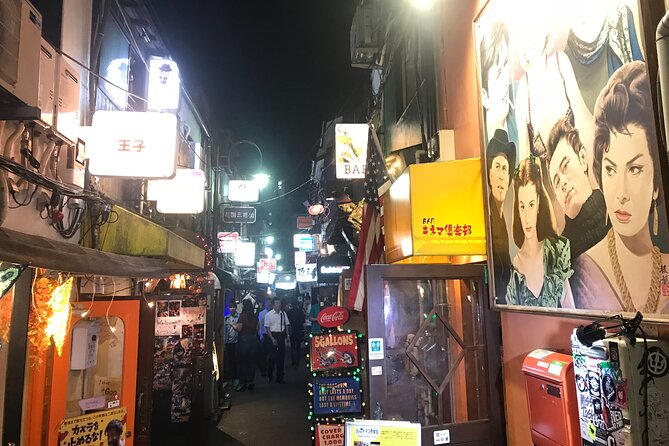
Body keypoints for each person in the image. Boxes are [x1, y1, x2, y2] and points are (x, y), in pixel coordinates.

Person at [573, 61, 669, 313]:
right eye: (610, 169)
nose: (621, 192)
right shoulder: (585, 271)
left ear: (657, 184)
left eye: (635, 169)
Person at [507, 158, 575, 308]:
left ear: (538, 204)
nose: (526, 217)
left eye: (531, 205)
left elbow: (570, 308)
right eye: (522, 207)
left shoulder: (555, 253)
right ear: (517, 210)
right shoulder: (515, 266)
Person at [546, 117, 609, 258]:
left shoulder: (618, 214)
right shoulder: (559, 256)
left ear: (582, 158)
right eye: (556, 182)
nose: (562, 183)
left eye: (565, 166)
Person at [486, 129, 516, 303]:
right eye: (497, 167)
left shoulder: (505, 219)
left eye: (505, 169)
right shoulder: (488, 216)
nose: (501, 175)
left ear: (509, 178)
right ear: (490, 175)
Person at [479, 21, 518, 147]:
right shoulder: (479, 143)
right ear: (484, 97)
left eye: (506, 63)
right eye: (498, 74)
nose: (505, 79)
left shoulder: (520, 96)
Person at [264, 297, 291, 384]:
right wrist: (272, 339)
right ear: (273, 305)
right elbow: (267, 328)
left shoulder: (283, 314)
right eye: (276, 303)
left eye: (279, 303)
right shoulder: (268, 315)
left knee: (281, 358)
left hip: (281, 335)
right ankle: (270, 375)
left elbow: (286, 325)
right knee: (271, 358)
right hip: (272, 335)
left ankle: (280, 377)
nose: (278, 305)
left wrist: (287, 336)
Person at [234, 299, 259, 391]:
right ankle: (251, 382)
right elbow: (258, 328)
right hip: (253, 339)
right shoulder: (255, 317)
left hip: (243, 340)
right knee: (251, 362)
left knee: (242, 362)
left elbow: (239, 329)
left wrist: (233, 326)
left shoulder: (242, 317)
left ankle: (243, 383)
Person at [223, 303, 239, 387]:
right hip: (228, 342)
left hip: (236, 342)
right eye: (230, 307)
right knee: (228, 361)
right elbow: (224, 331)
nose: (232, 308)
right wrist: (224, 342)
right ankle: (229, 379)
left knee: (235, 361)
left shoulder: (239, 317)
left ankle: (235, 378)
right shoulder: (226, 318)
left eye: (233, 307)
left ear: (236, 308)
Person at [286, 301, 305, 368]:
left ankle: (293, 362)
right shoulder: (300, 311)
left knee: (293, 347)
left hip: (292, 332)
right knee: (298, 347)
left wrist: (287, 333)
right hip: (299, 331)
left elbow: (287, 323)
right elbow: (303, 322)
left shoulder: (289, 312)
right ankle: (297, 362)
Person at [257, 298, 271, 376]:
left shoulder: (273, 313)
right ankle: (263, 369)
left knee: (270, 353)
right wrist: (261, 335)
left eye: (270, 303)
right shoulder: (262, 313)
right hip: (265, 335)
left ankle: (269, 369)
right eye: (267, 303)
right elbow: (260, 325)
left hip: (271, 335)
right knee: (264, 354)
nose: (269, 304)